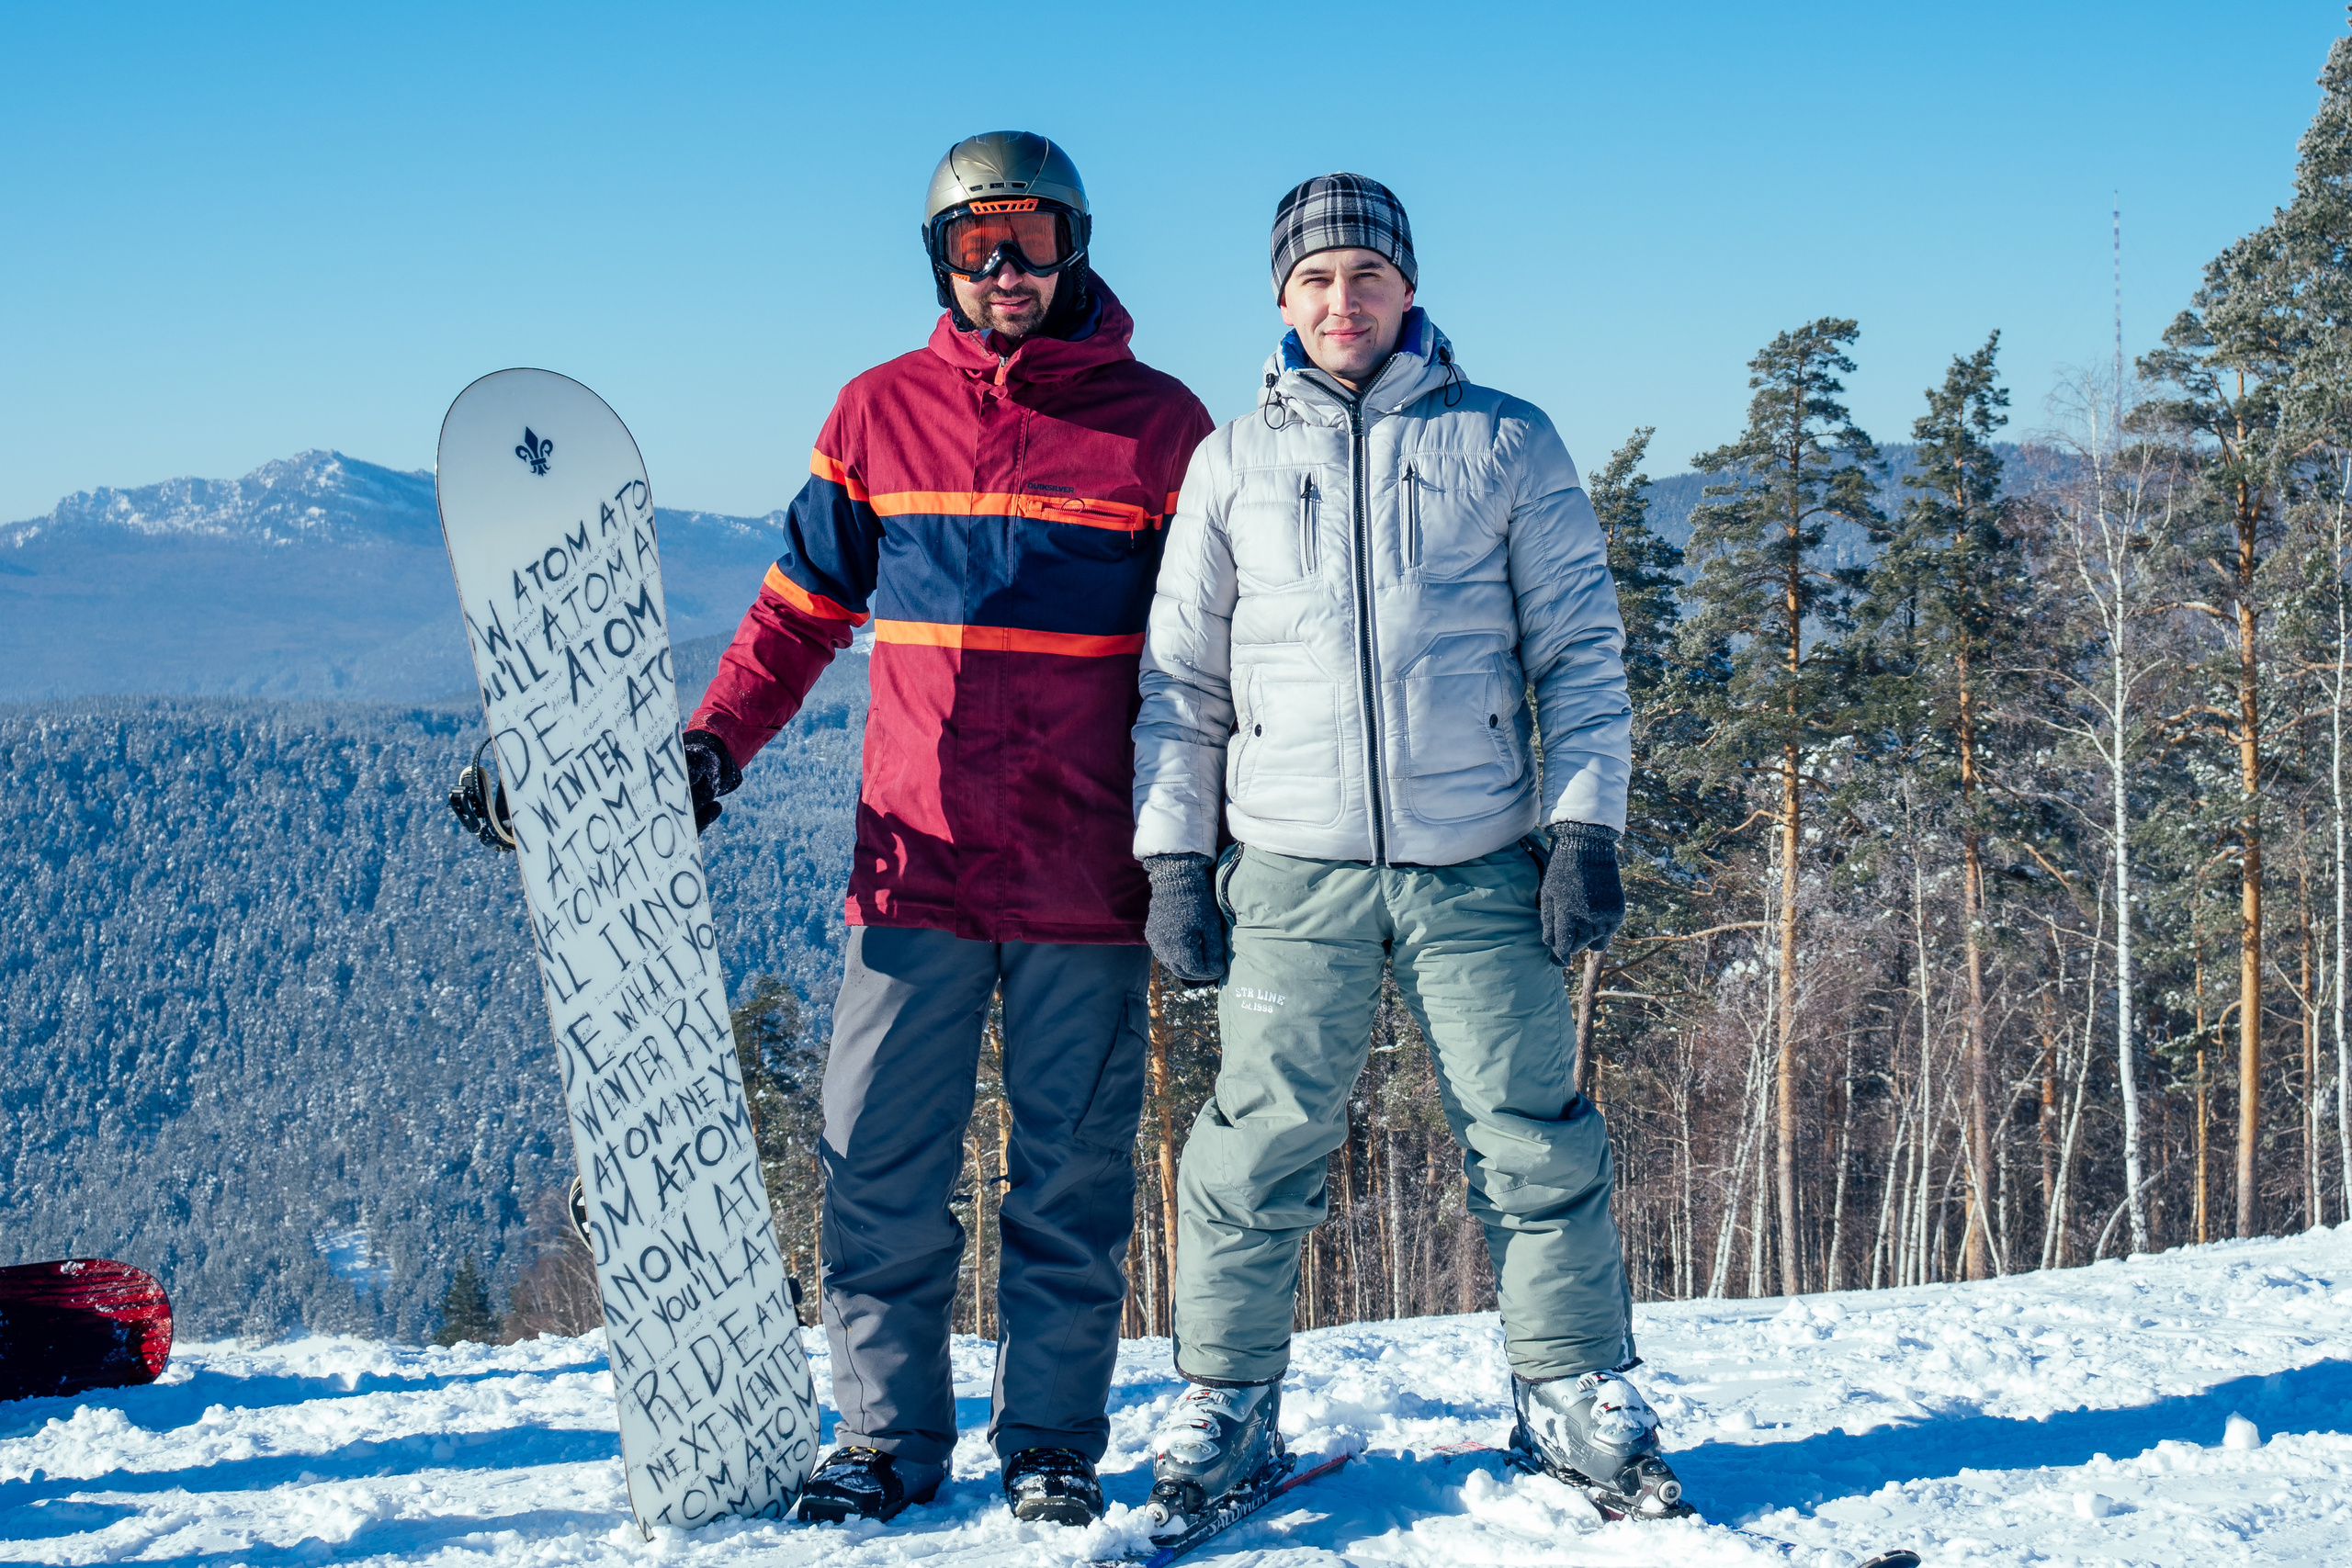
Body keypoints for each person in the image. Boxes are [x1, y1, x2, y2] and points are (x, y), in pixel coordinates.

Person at [456, 130, 1212, 1528]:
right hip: (913, 869)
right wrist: (711, 747)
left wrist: (1197, 850)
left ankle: (1049, 1444)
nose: (1004, 269)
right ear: (940, 258)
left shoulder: (1160, 428)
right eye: (976, 243)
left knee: (1072, 1186)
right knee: (875, 1167)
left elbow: (1212, 658)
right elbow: (800, 614)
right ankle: (885, 1441)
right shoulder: (878, 412)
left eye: (1031, 241)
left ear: (1077, 248)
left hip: (1085, 877)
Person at [1128, 173, 1685, 1532]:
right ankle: (1229, 1398)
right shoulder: (1231, 460)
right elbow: (1182, 684)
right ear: (1280, 296)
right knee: (1257, 1145)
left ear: (1408, 288)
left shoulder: (1507, 441)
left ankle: (1570, 1388)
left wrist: (1584, 826)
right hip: (1288, 864)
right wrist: (1171, 860)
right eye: (1314, 280)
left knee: (1533, 1137)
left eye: (1364, 277)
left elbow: (1580, 655)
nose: (1341, 300)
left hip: (1477, 852)